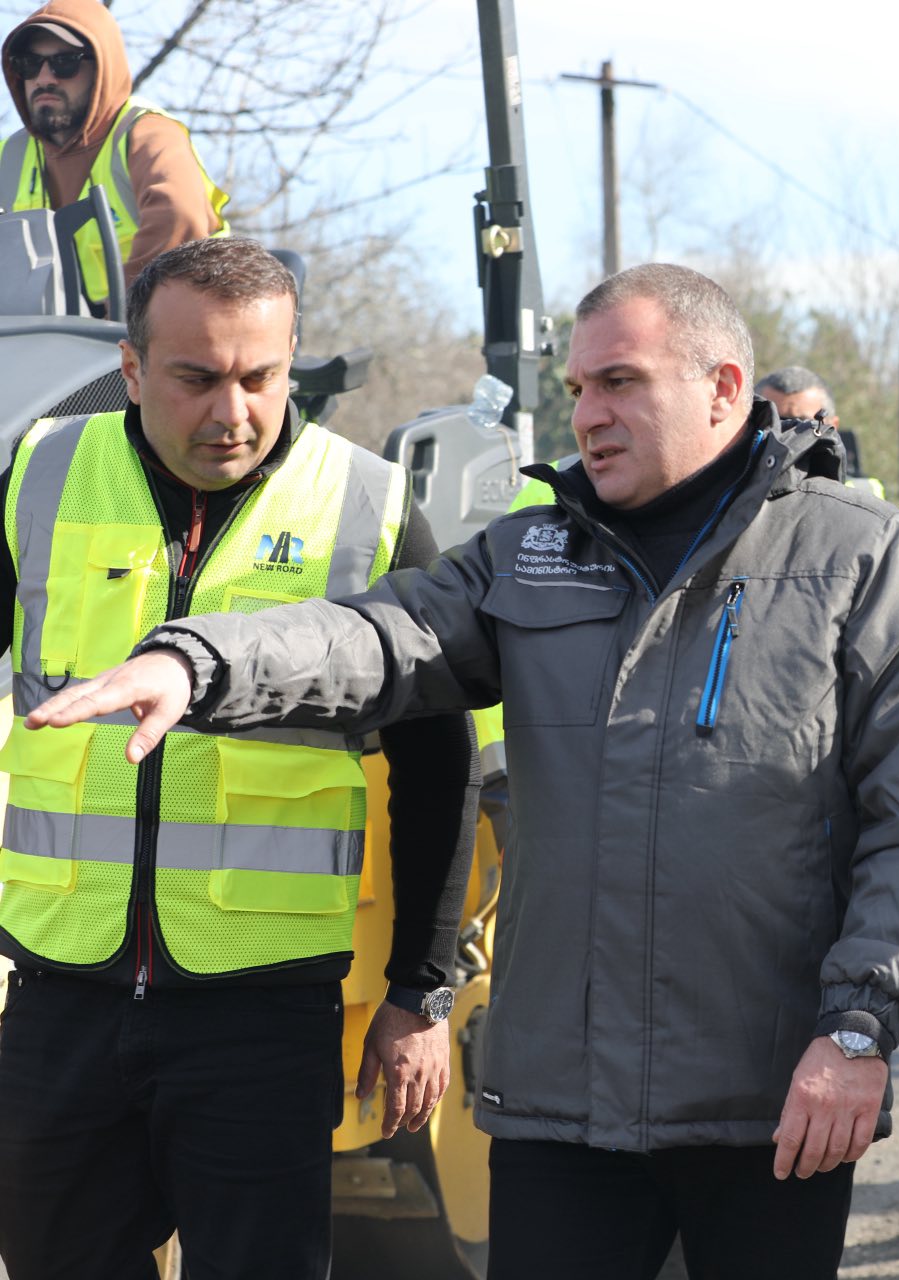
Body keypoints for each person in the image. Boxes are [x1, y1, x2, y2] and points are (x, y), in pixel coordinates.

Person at [29, 262, 899, 1280]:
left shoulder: (856, 557)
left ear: (723, 387)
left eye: (619, 382)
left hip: (770, 1102)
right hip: (555, 1113)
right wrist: (198, 660)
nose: (588, 414)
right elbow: (376, 636)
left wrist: (857, 1028)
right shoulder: (530, 557)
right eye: (577, 389)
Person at [0, 236, 475, 1280]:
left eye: (261, 377)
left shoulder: (366, 506)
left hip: (261, 1012)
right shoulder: (41, 474)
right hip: (60, 995)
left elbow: (440, 768)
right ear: (132, 370)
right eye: (197, 378)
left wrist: (419, 989)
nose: (233, 412)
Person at [1, 0, 229, 307]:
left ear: (102, 69)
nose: (43, 78)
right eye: (28, 63)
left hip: (188, 322)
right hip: (58, 334)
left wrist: (123, 316)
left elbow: (180, 217)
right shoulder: (10, 156)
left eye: (64, 62)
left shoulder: (146, 134)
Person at [755, 364, 886, 499]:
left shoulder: (865, 497)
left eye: (803, 423)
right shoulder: (740, 489)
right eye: (774, 420)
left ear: (833, 427)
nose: (786, 431)